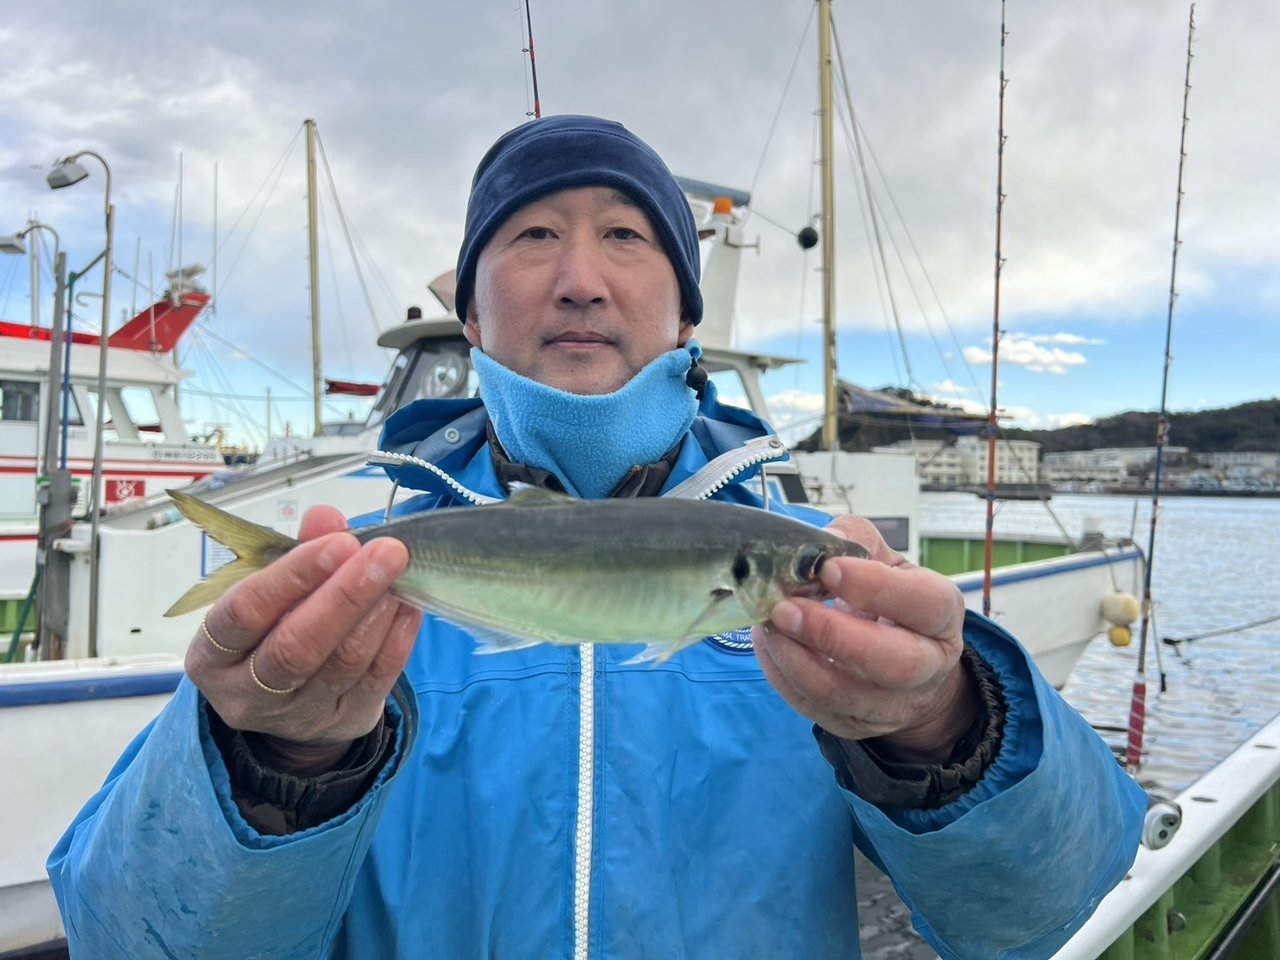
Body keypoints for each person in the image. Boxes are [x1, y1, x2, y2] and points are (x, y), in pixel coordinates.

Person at [49, 116, 1145, 959]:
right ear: (471, 316)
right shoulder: (353, 592)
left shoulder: (835, 579)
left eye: (625, 235)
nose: (579, 279)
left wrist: (943, 730)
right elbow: (129, 938)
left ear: (686, 313)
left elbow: (1038, 917)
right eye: (533, 236)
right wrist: (274, 760)